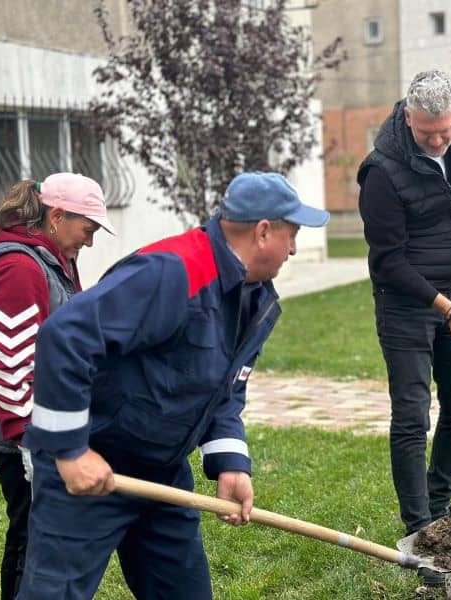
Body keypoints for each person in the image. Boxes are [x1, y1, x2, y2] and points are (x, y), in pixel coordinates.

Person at [18, 172, 329, 599]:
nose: (293, 248)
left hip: (161, 474)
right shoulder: (172, 271)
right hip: (93, 469)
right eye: (291, 234)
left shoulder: (255, 298)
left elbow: (225, 388)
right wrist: (70, 451)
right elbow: (64, 336)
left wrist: (230, 462)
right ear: (262, 232)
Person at [357, 70, 451, 586]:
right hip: (407, 303)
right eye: (427, 132)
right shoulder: (382, 172)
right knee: (413, 415)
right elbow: (388, 262)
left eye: (446, 130)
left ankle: (441, 505)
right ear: (407, 116)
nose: (438, 140)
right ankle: (420, 527)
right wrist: (445, 308)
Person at [0, 173, 114, 600]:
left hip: (40, 424)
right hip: (16, 432)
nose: (89, 241)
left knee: (40, 534)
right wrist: (29, 440)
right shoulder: (18, 267)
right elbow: (10, 366)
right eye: (87, 229)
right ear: (56, 216)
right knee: (34, 536)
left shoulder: (52, 258)